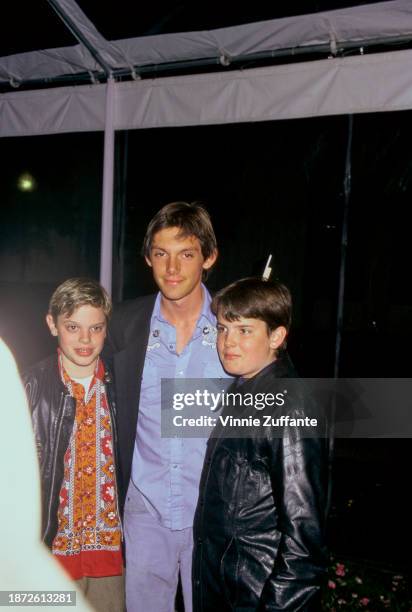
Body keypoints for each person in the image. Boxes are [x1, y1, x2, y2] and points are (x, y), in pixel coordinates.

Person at [106, 201, 229, 612]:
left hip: (213, 515)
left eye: (186, 254)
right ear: (148, 258)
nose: (172, 267)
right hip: (145, 510)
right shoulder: (123, 325)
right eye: (161, 253)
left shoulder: (237, 327)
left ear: (208, 258)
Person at [192, 277, 328, 612]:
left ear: (277, 336)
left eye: (244, 330)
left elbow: (304, 538)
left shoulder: (290, 406)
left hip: (257, 597)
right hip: (226, 590)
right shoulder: (243, 390)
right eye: (223, 329)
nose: (228, 342)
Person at [22, 278, 124, 612]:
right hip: (49, 556)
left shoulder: (123, 385)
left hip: (112, 559)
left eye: (96, 328)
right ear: (52, 324)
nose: (85, 339)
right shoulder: (29, 386)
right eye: (73, 326)